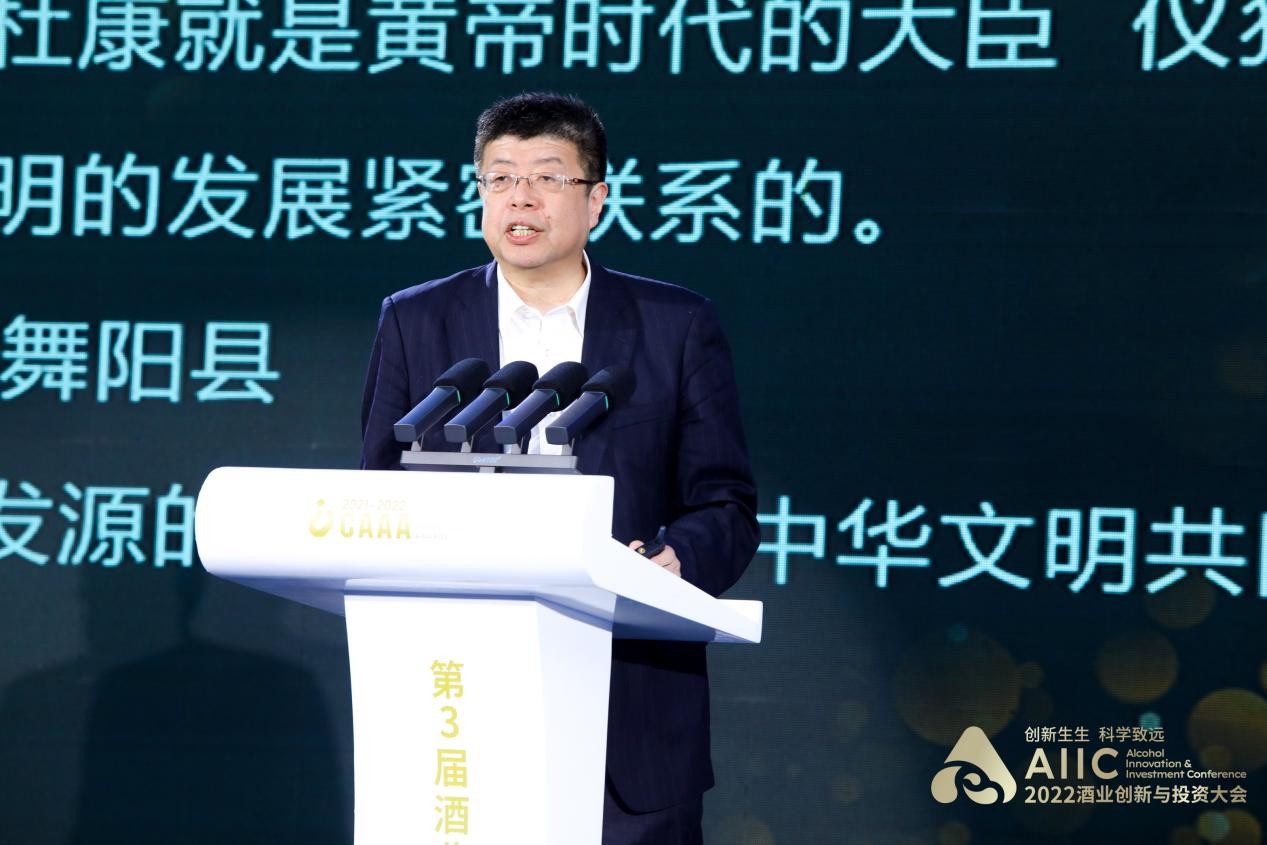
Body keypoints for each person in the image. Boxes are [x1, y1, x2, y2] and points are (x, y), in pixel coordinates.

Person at [359, 91, 759, 845]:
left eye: (547, 176)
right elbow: (381, 495)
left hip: (627, 710)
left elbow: (726, 504)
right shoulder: (415, 319)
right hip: (457, 703)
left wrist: (673, 561)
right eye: (501, 177)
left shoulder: (674, 326)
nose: (521, 198)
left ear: (596, 199)